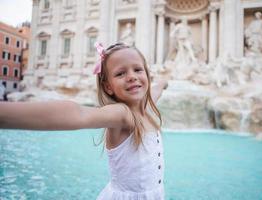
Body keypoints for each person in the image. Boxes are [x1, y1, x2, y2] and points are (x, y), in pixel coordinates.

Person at [0, 42, 168, 200]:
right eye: (120, 73)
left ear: (147, 74)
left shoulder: (145, 107)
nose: (132, 76)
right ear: (108, 87)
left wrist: (162, 83)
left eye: (138, 69)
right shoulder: (122, 114)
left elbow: (154, 92)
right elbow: (77, 114)